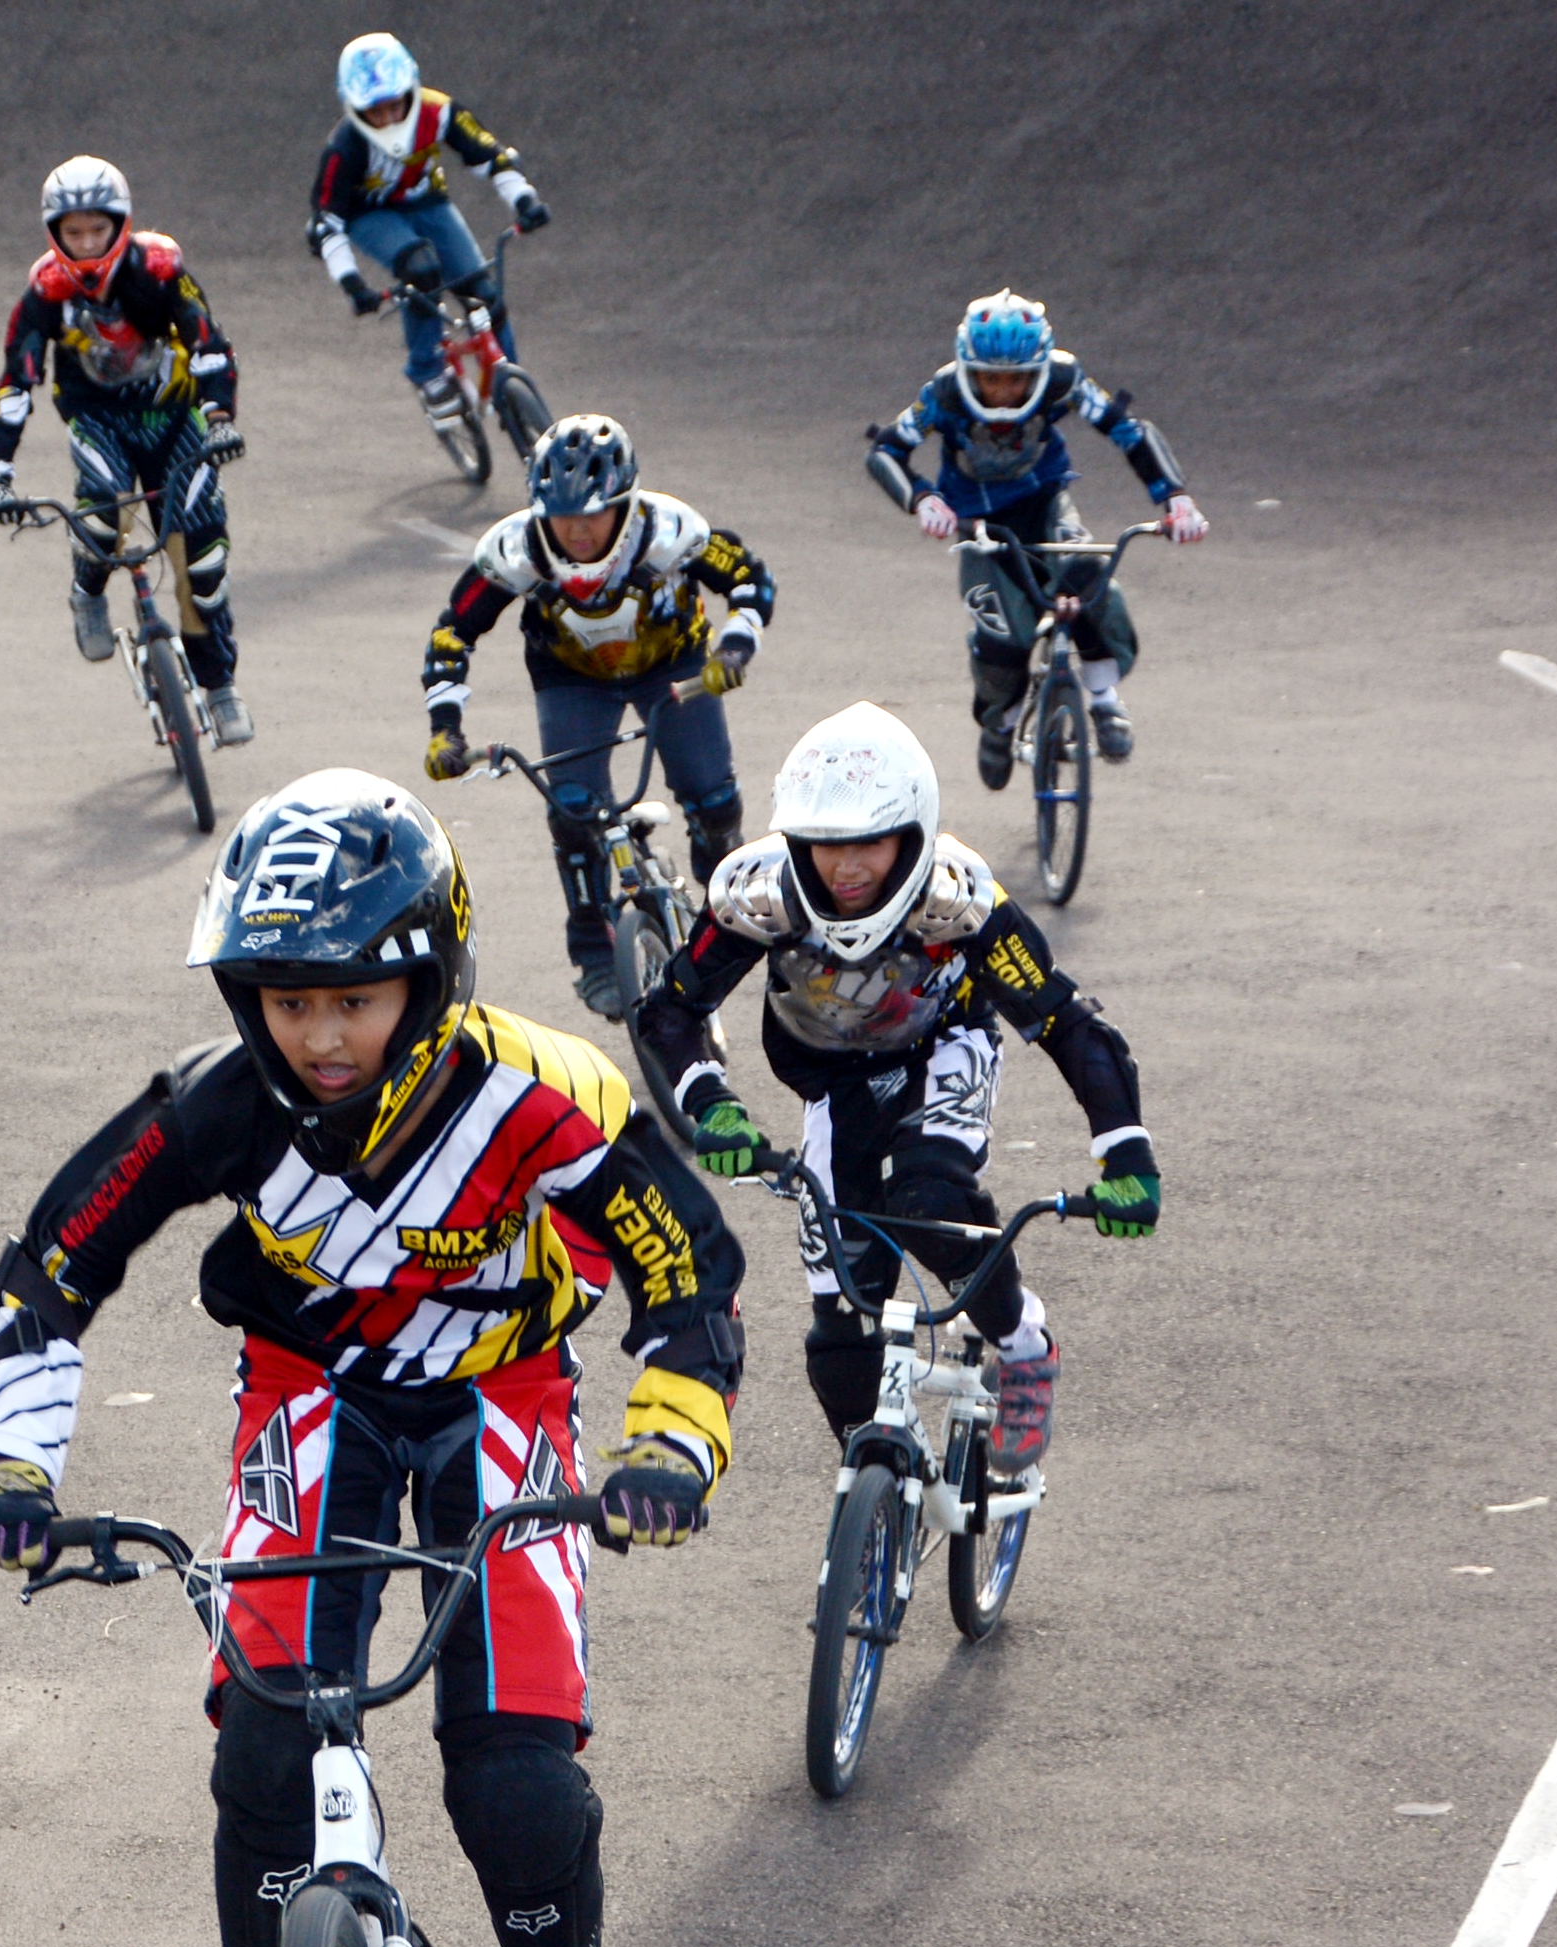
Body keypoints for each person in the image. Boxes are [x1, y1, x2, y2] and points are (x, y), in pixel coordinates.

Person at [0, 770, 747, 1947]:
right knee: (263, 1750)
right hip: (310, 1392)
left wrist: (670, 1442)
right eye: (287, 1000)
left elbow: (688, 1276)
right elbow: (54, 1263)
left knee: (512, 1778)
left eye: (355, 998)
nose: (318, 1034)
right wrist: (13, 1465)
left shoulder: (548, 1095)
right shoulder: (219, 1101)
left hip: (504, 1395)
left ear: (430, 978)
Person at [630, 705, 1159, 1481]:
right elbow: (670, 1010)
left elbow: (1065, 1021)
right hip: (832, 1080)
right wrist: (711, 1100)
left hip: (941, 1049)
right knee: (837, 1340)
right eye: (826, 844)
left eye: (870, 843)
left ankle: (1025, 1345)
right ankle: (880, 1490)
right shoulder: (759, 894)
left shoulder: (959, 899)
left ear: (911, 836)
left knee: (925, 1198)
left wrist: (1126, 1150)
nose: (846, 868)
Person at [419, 414, 778, 1017]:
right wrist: (444, 730)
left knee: (712, 797)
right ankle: (593, 950)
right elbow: (453, 633)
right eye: (562, 517)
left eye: (593, 514)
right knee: (574, 811)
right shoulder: (514, 552)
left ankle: (731, 904)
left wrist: (735, 649)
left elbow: (750, 579)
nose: (578, 532)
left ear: (626, 505)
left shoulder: (671, 532)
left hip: (674, 667)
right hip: (570, 679)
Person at [864, 290, 1207, 784]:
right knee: (1002, 634)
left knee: (1085, 576)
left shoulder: (1065, 379)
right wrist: (923, 499)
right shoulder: (943, 394)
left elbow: (1127, 430)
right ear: (968, 370)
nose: (1004, 392)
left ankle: (1104, 697)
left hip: (1044, 499)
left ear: (1040, 370)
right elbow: (886, 451)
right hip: (977, 520)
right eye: (990, 378)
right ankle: (1000, 722)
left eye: (1017, 378)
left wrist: (1175, 497)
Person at [0, 155, 254, 749]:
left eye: (97, 230)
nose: (85, 245)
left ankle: (220, 687)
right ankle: (88, 590)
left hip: (174, 416)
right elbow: (14, 385)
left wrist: (219, 419)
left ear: (121, 224)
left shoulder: (161, 269)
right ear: (54, 233)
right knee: (103, 514)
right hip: (98, 419)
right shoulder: (44, 291)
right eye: (72, 232)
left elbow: (208, 342)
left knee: (205, 566)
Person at [308, 32, 548, 432]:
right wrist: (353, 284)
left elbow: (490, 156)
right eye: (375, 111)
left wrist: (525, 199)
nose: (388, 119)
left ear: (411, 91)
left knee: (484, 295)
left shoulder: (439, 111)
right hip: (369, 215)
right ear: (355, 108)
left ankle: (511, 386)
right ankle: (427, 371)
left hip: (427, 202)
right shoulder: (344, 147)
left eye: (395, 105)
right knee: (421, 271)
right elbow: (324, 224)